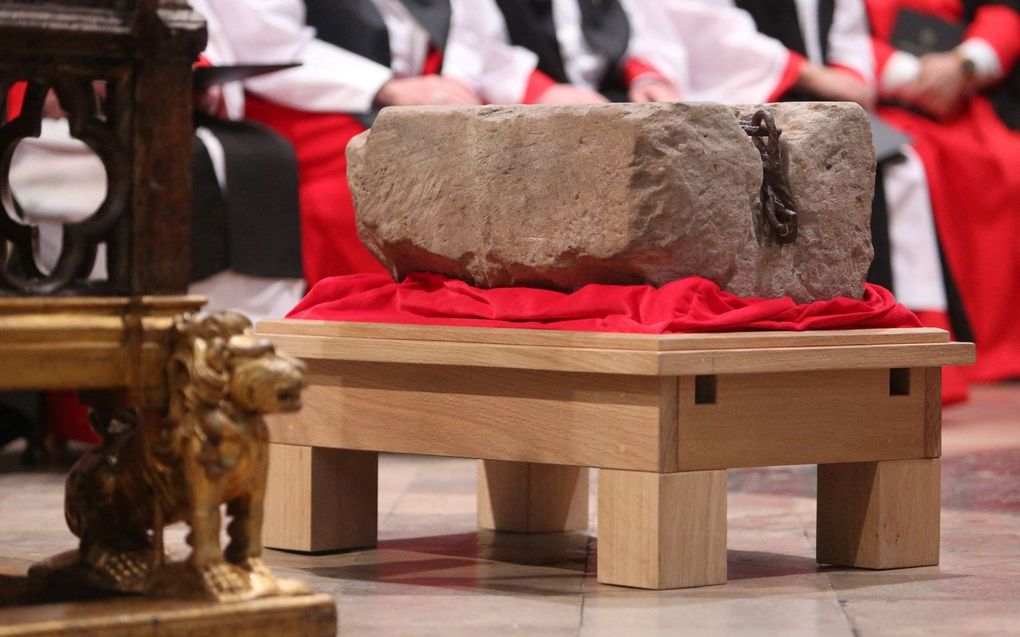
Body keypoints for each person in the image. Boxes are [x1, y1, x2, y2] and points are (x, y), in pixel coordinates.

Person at [196, 0, 601, 286]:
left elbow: (475, 43)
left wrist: (544, 91)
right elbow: (265, 43)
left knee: (530, 164)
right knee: (378, 185)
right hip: (306, 101)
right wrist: (385, 87)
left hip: (414, 96)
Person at [865, 0, 1020, 383]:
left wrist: (966, 64)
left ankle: (1003, 345)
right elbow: (834, 34)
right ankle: (937, 341)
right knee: (913, 169)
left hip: (968, 94)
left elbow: (1002, 11)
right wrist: (910, 75)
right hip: (882, 98)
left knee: (1008, 165)